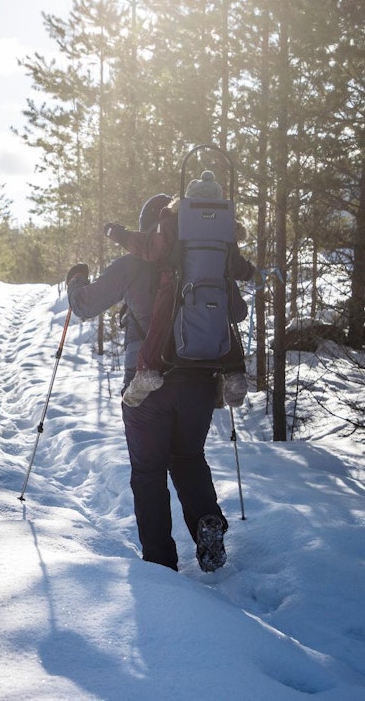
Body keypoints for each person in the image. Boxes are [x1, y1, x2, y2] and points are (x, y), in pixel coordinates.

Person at [65, 186, 239, 573]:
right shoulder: (203, 262)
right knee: (189, 459)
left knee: (148, 472)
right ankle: (207, 524)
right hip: (197, 382)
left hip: (146, 387)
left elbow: (84, 306)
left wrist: (75, 279)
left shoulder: (132, 265)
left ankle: (160, 564)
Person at [106, 170, 255, 408]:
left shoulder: (176, 222)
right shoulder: (226, 229)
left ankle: (147, 371)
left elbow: (150, 248)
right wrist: (251, 272)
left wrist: (119, 234)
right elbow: (236, 266)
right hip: (219, 291)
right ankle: (235, 373)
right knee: (223, 323)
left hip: (176, 290)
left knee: (160, 322)